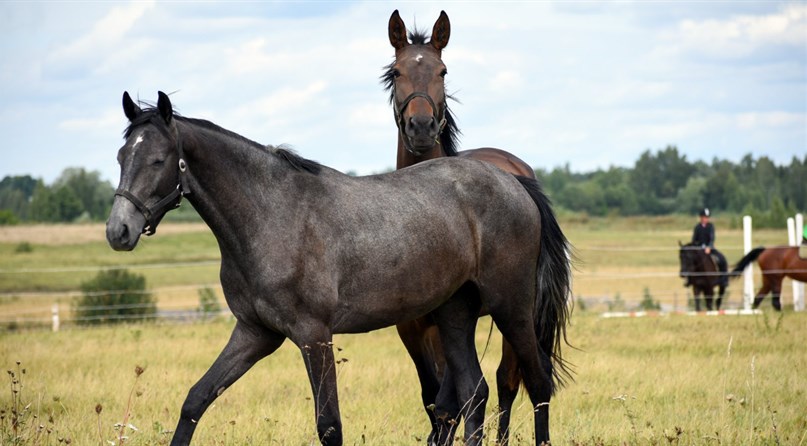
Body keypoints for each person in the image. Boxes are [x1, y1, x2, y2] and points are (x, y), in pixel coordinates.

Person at [690, 208, 728, 287]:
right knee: (690, 261)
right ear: (701, 217)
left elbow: (712, 238)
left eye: (707, 217)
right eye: (704, 217)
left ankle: (724, 279)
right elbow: (694, 240)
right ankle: (690, 279)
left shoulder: (711, 226)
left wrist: (709, 247)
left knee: (721, 259)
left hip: (709, 249)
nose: (705, 219)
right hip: (699, 250)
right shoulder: (697, 227)